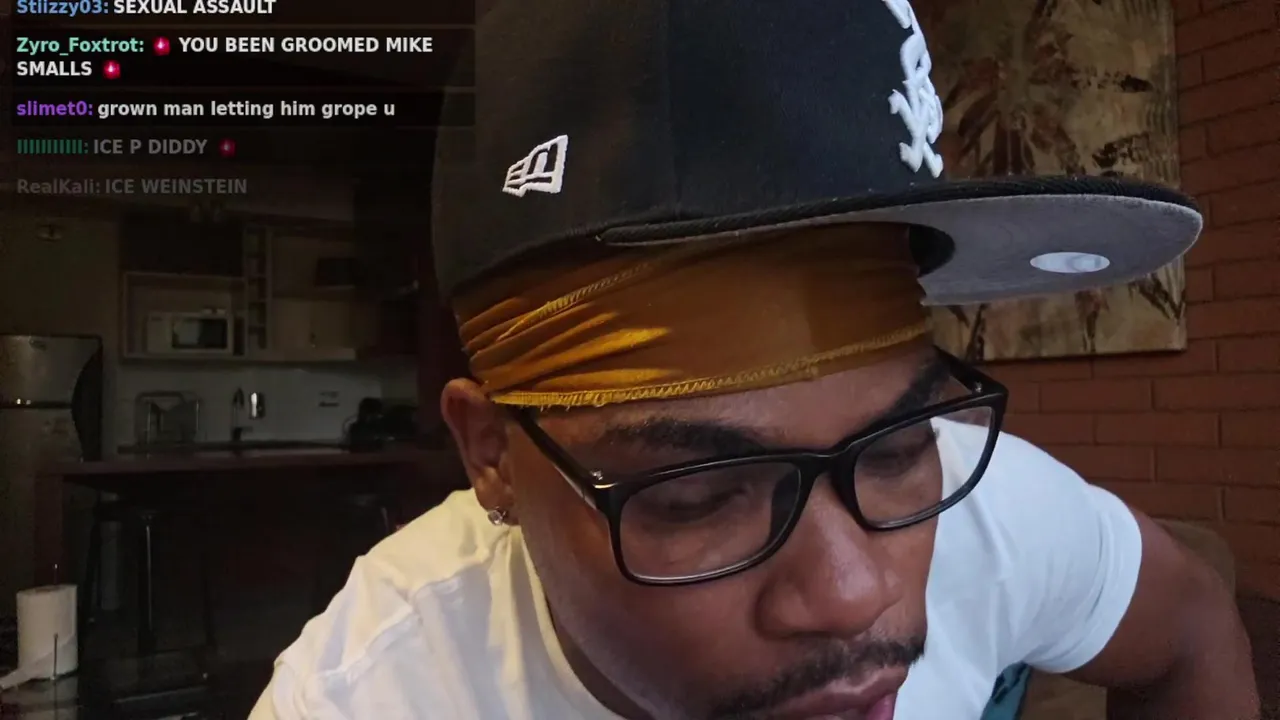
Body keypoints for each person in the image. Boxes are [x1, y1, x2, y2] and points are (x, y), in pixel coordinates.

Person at [250, 0, 1260, 718]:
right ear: (491, 456)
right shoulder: (373, 694)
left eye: (896, 447)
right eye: (698, 497)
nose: (852, 592)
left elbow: (1190, 626)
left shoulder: (976, 505)